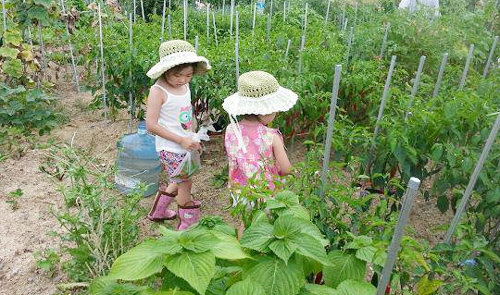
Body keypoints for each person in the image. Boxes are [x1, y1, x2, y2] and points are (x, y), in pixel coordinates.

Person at [145, 40, 211, 230]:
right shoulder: (158, 91)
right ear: (166, 70)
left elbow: (186, 113)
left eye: (188, 75)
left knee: (180, 177)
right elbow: (151, 125)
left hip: (185, 142)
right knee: (185, 183)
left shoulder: (184, 86)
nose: (182, 80)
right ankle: (187, 224)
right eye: (177, 75)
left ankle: (158, 212)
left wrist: (192, 135)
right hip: (170, 146)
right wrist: (181, 139)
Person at [222, 71, 298, 207]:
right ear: (265, 111)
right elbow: (286, 169)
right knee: (264, 225)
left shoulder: (231, 129)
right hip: (265, 193)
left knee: (247, 223)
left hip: (240, 191)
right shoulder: (271, 136)